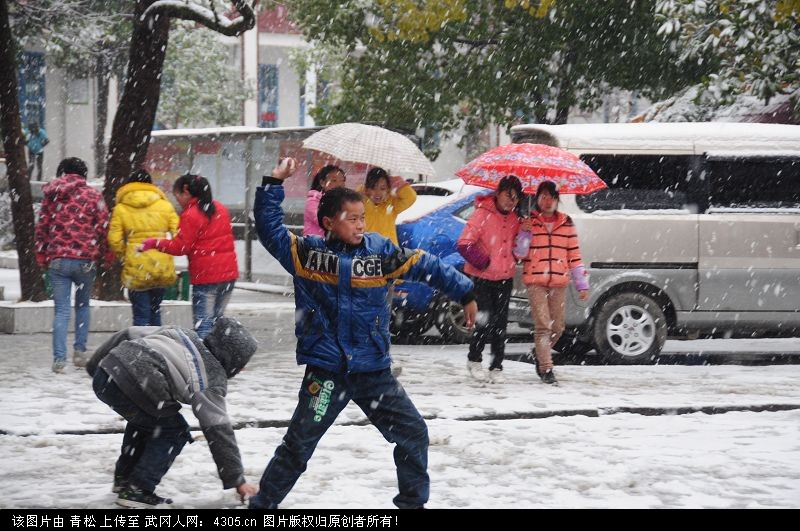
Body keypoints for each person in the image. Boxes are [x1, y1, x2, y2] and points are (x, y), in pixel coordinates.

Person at [249, 157, 477, 509]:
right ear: (327, 222)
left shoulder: (381, 252)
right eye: (351, 219)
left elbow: (423, 264)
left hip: (373, 372)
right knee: (298, 445)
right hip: (326, 372)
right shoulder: (306, 254)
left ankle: (412, 504)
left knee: (414, 433)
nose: (359, 225)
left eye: (362, 219)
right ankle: (262, 506)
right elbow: (269, 228)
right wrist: (273, 182)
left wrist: (464, 291)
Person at [86, 317, 259, 508]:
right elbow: (218, 429)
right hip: (139, 381)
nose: (243, 368)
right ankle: (137, 489)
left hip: (107, 373)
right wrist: (237, 479)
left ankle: (124, 480)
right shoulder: (211, 376)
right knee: (173, 432)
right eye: (243, 363)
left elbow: (128, 333)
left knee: (147, 424)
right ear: (232, 360)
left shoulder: (180, 333)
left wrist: (95, 365)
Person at [34, 157, 110, 373]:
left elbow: (42, 227)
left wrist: (41, 254)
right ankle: (79, 352)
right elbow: (103, 226)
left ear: (62, 172)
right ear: (83, 173)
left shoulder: (52, 194)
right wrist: (105, 253)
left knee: (62, 310)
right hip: (86, 259)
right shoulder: (94, 195)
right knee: (83, 306)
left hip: (58, 260)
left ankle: (59, 359)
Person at [139, 174, 238, 339]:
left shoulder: (191, 214)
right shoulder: (220, 208)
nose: (177, 199)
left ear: (186, 191)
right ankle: (220, 360)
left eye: (177, 194)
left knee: (204, 325)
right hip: (228, 275)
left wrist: (154, 243)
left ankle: (206, 362)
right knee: (217, 323)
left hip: (206, 277)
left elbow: (181, 247)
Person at [514, 181, 589, 385]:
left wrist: (582, 284)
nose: (547, 201)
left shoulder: (566, 224)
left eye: (551, 197)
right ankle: (546, 368)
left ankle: (540, 353)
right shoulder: (529, 222)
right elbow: (519, 254)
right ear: (537, 198)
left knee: (558, 327)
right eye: (543, 197)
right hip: (535, 281)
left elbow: (574, 255)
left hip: (559, 282)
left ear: (557, 200)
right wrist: (524, 233)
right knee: (543, 326)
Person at [457, 175, 523, 384]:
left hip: (505, 278)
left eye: (515, 197)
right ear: (498, 193)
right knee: (483, 321)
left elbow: (520, 252)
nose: (510, 200)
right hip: (482, 278)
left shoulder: (515, 220)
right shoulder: (482, 214)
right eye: (507, 194)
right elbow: (464, 243)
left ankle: (496, 366)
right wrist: (483, 262)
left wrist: (526, 233)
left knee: (500, 325)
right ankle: (474, 360)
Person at [108, 170, 180, 326]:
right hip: (161, 264)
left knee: (140, 314)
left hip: (136, 263)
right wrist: (166, 249)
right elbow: (178, 235)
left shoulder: (121, 208)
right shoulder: (165, 205)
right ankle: (157, 345)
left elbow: (114, 240)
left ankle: (140, 347)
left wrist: (124, 255)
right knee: (155, 310)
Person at [360, 167, 417, 245]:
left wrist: (396, 181)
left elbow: (411, 197)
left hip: (389, 251)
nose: (378, 193)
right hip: (367, 251)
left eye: (382, 188)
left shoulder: (391, 204)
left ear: (388, 189)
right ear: (367, 189)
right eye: (373, 188)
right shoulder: (360, 204)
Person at [303, 165, 346, 237]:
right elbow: (326, 222)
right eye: (334, 180)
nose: (340, 184)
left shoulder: (343, 201)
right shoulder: (312, 201)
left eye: (342, 180)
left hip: (332, 245)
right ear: (322, 183)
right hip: (314, 245)